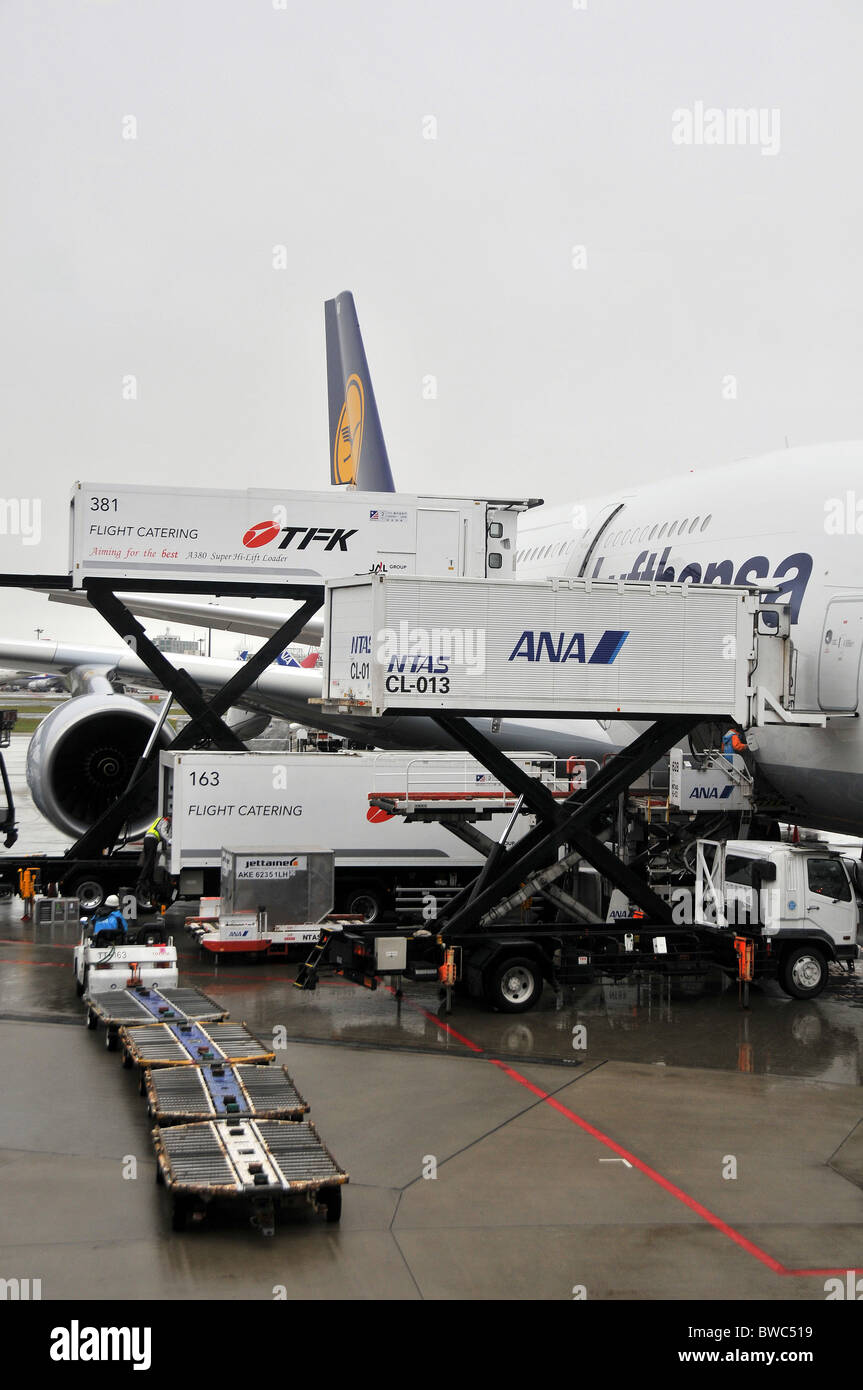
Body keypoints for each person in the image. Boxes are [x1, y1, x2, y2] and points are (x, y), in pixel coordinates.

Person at [136, 814, 172, 905]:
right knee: (149, 861)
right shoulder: (165, 821)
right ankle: (142, 880)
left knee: (150, 861)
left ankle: (150, 880)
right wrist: (169, 840)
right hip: (152, 840)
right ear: (170, 817)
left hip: (147, 838)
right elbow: (163, 832)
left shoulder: (158, 819)